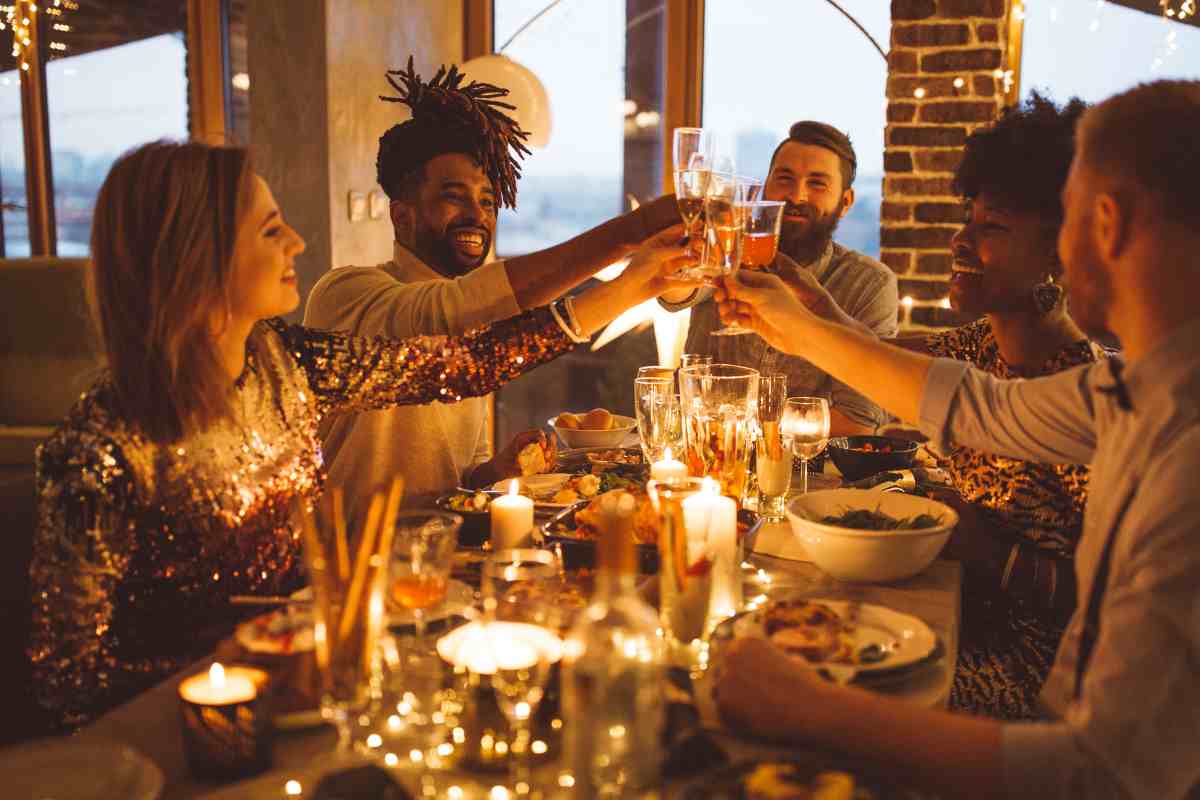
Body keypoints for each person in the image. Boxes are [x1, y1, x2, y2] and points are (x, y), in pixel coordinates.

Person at [28, 140, 694, 731]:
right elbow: (68, 678)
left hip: (311, 683)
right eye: (269, 231)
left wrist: (634, 285)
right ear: (197, 259)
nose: (296, 243)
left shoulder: (283, 361)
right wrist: (240, 658)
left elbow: (466, 364)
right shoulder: (104, 446)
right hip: (180, 737)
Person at [714, 80, 1200, 798]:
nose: (965, 240)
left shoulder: (1182, 448)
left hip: (1036, 725)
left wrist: (811, 712)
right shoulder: (1131, 388)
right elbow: (972, 403)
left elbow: (1101, 775)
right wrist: (803, 314)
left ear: (1106, 223)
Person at [775, 94, 1104, 720]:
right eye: (967, 219)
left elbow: (1102, 592)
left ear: (1062, 254)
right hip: (955, 609)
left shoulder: (1080, 392)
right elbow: (876, 351)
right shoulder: (981, 344)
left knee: (825, 686)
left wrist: (990, 553)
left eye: (993, 228)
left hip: (1029, 667)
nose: (961, 241)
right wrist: (803, 296)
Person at [305, 59, 681, 512]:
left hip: (441, 554)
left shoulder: (483, 329)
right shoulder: (347, 293)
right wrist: (633, 233)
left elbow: (463, 479)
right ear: (401, 214)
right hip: (349, 561)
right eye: (453, 195)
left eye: (487, 200)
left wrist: (500, 469)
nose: (477, 215)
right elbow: (449, 309)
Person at [658, 121, 898, 436]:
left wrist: (744, 434)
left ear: (846, 202)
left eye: (817, 184)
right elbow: (676, 293)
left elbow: (857, 422)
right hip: (700, 463)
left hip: (807, 478)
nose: (797, 196)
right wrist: (691, 250)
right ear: (764, 190)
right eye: (785, 179)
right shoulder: (727, 251)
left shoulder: (869, 283)